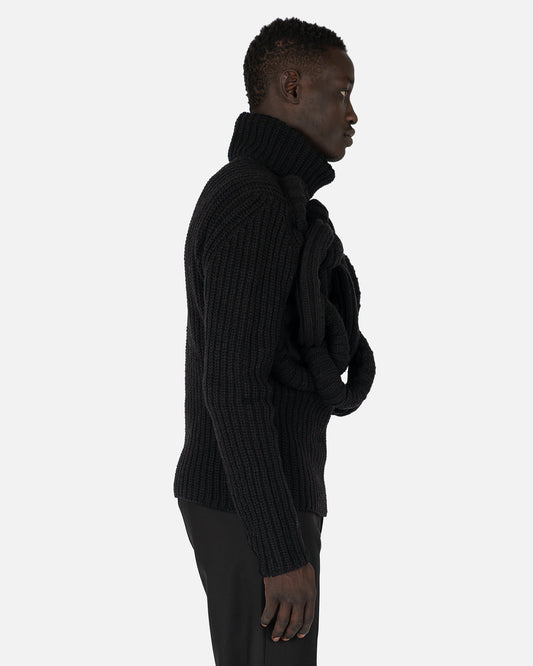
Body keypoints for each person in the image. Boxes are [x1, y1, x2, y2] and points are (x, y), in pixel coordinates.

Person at [173, 17, 376, 666]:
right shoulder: (254, 201)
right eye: (340, 92)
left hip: (262, 499)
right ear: (291, 87)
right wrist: (279, 550)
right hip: (251, 507)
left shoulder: (278, 202)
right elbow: (232, 387)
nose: (352, 114)